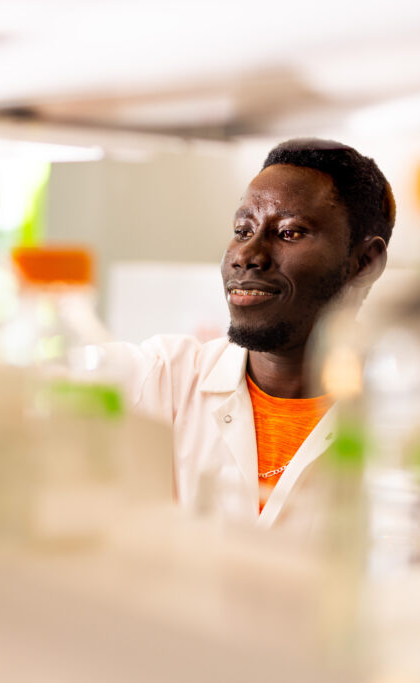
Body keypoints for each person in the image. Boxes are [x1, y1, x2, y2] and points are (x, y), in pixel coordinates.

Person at [107, 138, 395, 533]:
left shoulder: (409, 421)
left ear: (365, 263)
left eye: (290, 233)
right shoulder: (161, 378)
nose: (247, 254)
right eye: (243, 229)